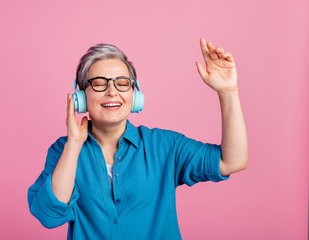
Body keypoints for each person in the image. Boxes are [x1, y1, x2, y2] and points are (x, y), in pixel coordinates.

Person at [27, 38, 248, 240]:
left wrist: (228, 92)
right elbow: (49, 215)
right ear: (82, 96)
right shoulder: (62, 151)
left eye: (122, 83)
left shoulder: (165, 146)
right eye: (99, 83)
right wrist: (74, 145)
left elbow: (232, 161)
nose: (112, 91)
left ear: (135, 95)